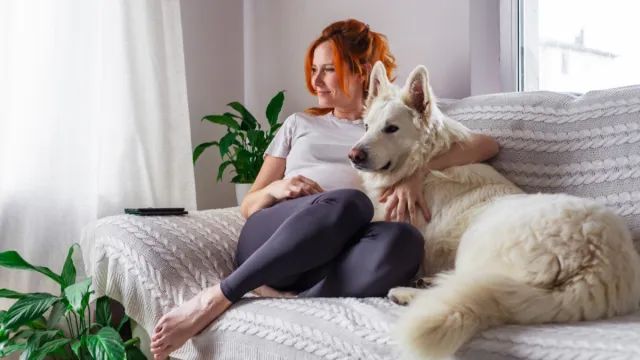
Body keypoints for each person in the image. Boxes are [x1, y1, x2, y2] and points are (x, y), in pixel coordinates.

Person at [150, 18, 499, 359]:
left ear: (361, 70)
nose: (316, 80)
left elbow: (485, 145)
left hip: (335, 255)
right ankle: (217, 297)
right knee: (352, 203)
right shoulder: (299, 124)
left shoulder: (392, 123)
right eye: (314, 70)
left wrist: (416, 173)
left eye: (328, 69)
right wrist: (278, 189)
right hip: (275, 237)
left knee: (405, 241)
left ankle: (296, 300)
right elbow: (249, 203)